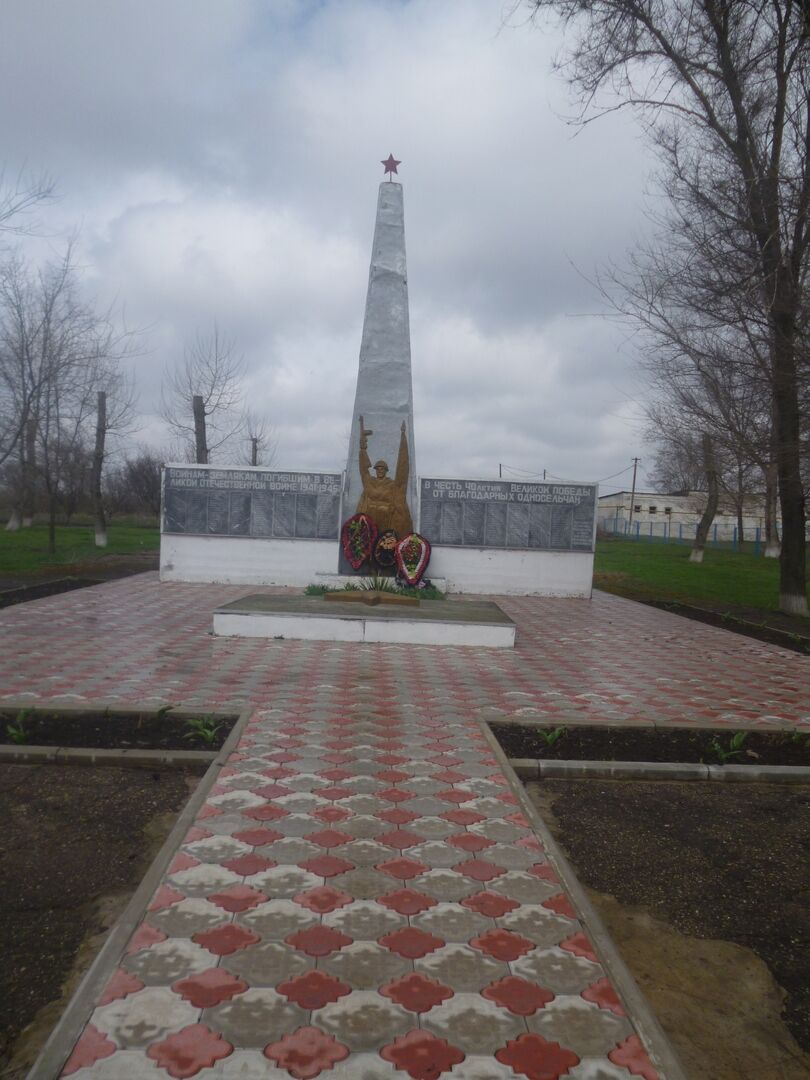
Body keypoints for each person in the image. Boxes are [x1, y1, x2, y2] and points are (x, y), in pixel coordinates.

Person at [356, 415, 413, 536]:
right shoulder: (369, 482)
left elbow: (402, 473)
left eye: (382, 469)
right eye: (378, 468)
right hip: (370, 520)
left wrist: (403, 437)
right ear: (375, 470)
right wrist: (362, 449)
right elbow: (363, 470)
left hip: (386, 521)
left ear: (386, 471)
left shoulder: (391, 485)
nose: (380, 471)